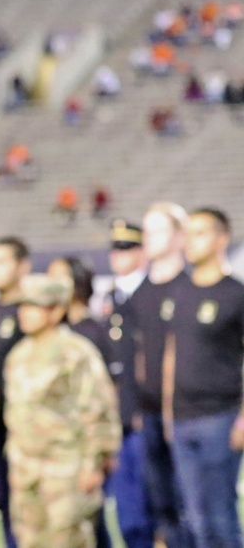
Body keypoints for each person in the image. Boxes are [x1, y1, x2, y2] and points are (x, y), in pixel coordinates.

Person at [5, 275, 121, 548]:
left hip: (66, 470)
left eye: (34, 306)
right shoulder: (18, 355)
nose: (25, 313)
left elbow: (98, 410)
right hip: (26, 471)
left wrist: (93, 464)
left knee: (69, 540)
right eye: (23, 306)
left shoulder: (76, 352)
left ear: (56, 311)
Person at [170, 208, 244, 547]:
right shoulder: (182, 290)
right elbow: (173, 353)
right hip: (183, 418)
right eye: (188, 233)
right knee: (195, 520)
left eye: (199, 233)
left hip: (221, 417)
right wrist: (169, 411)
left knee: (221, 518)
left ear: (221, 239)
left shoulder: (235, 293)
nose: (190, 241)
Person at [130, 202, 193, 548]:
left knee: (194, 508)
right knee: (161, 506)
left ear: (178, 236)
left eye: (157, 230)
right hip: (150, 413)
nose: (148, 238)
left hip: (185, 414)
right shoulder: (141, 293)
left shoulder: (188, 288)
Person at [47, 255, 113, 548]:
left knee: (90, 521)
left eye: (61, 276)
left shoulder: (92, 331)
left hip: (83, 442)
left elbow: (104, 396)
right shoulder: (49, 334)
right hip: (54, 444)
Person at [101, 221, 156, 548]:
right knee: (128, 509)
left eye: (125, 249)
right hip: (119, 416)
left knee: (157, 501)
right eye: (115, 249)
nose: (118, 256)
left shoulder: (151, 293)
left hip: (145, 409)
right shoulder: (112, 296)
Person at [0, 236, 31, 548]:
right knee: (3, 503)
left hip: (26, 429)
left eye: (1, 261)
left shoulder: (31, 312)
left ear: (22, 266)